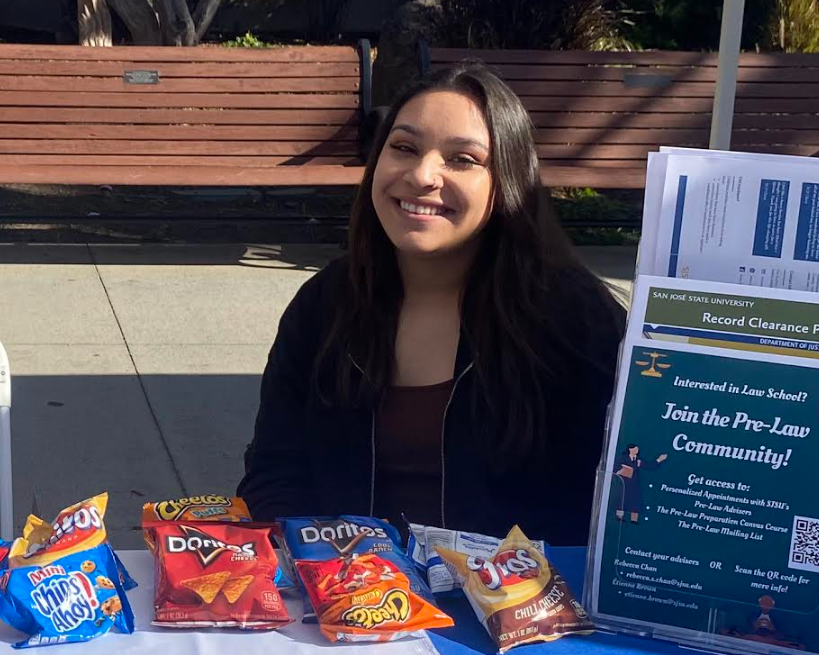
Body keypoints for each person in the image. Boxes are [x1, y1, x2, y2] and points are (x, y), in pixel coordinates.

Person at [239, 64, 625, 544]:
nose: (422, 175)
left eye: (462, 159)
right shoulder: (326, 304)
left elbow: (611, 500)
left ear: (508, 182)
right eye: (404, 148)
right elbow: (274, 475)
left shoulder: (574, 319)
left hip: (522, 609)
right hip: (348, 600)